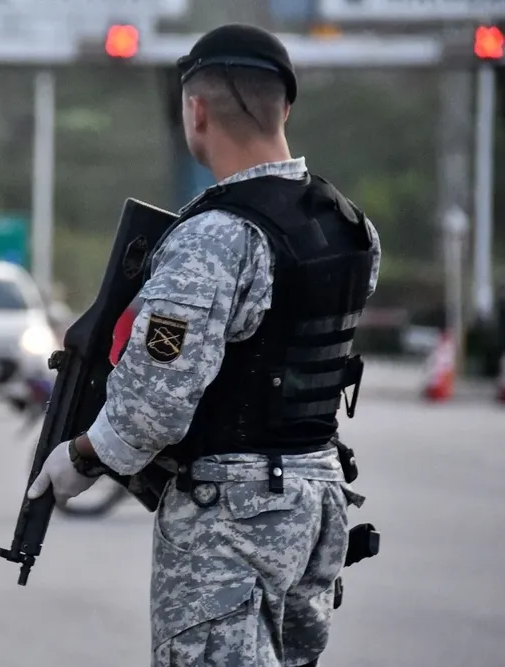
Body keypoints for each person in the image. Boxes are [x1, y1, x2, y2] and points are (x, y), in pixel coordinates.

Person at [27, 23, 382, 667]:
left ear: (196, 111)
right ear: (286, 108)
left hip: (234, 513)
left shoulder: (215, 237)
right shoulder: (351, 227)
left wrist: (81, 456)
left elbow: (156, 402)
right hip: (318, 502)